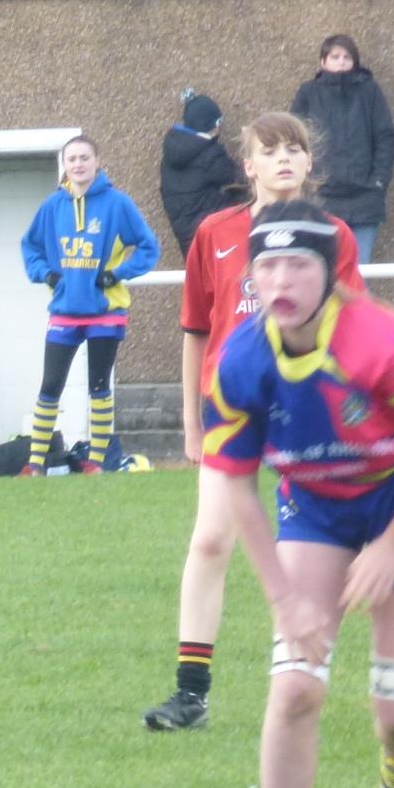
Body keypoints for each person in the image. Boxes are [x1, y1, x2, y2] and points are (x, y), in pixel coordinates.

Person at [200, 201, 394, 788]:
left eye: (298, 264)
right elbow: (234, 480)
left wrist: (391, 544)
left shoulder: (377, 341)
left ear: (331, 274)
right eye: (267, 265)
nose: (280, 278)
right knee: (294, 687)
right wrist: (284, 599)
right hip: (315, 510)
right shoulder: (243, 358)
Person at [145, 112, 365, 732]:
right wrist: (191, 421)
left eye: (295, 148)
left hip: (308, 413)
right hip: (232, 409)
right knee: (211, 539)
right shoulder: (214, 233)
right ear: (249, 166)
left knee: (307, 554)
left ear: (309, 162)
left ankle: (297, 687)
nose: (285, 159)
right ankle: (191, 695)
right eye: (271, 151)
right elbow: (194, 334)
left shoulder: (334, 235)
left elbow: (353, 329)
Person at [19, 134, 160, 476]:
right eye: (72, 159)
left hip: (106, 313)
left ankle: (96, 462)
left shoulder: (117, 203)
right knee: (50, 385)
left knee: (99, 387)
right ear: (64, 166)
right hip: (64, 312)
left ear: (97, 162)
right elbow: (30, 247)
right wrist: (47, 276)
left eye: (85, 158)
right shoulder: (52, 206)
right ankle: (34, 465)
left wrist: (117, 274)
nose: (78, 164)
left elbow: (148, 247)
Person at [289, 34, 394, 263]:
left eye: (347, 57)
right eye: (335, 56)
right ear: (323, 61)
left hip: (365, 198)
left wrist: (379, 180)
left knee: (359, 274)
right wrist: (307, 180)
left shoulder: (370, 91)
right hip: (322, 199)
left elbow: (385, 137)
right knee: (322, 274)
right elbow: (293, 138)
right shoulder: (308, 93)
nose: (341, 62)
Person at [159, 90, 238, 258]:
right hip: (215, 236)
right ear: (213, 124)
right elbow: (236, 176)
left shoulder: (170, 155)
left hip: (189, 241)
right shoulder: (209, 153)